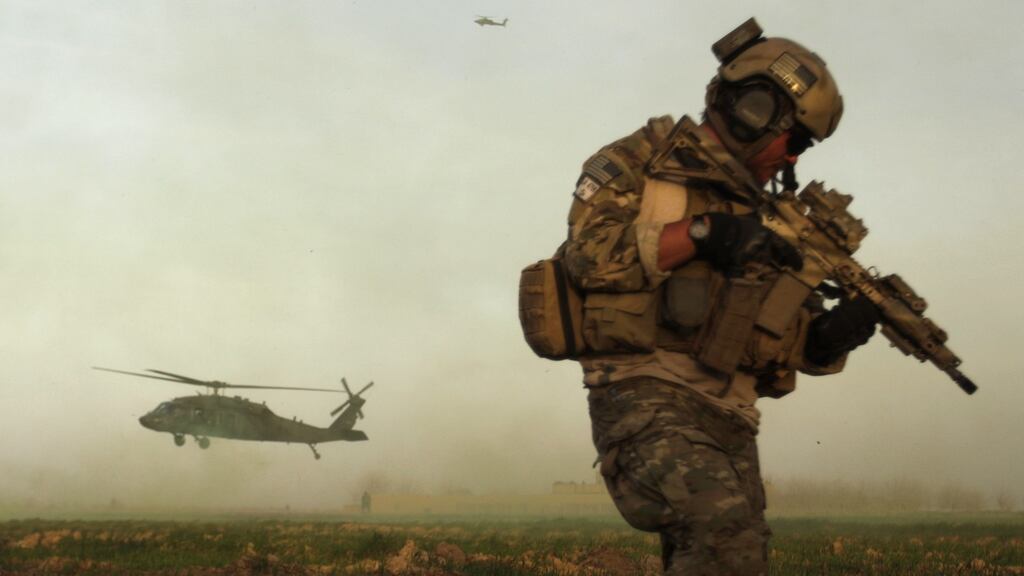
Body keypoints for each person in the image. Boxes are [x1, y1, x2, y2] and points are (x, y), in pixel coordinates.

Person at [562, 18, 880, 575]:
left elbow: (777, 344)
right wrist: (705, 233)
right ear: (757, 111)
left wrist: (827, 341)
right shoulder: (643, 162)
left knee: (739, 553)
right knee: (722, 531)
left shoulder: (773, 218)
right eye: (795, 140)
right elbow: (588, 256)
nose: (793, 159)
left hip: (731, 414)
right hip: (643, 391)